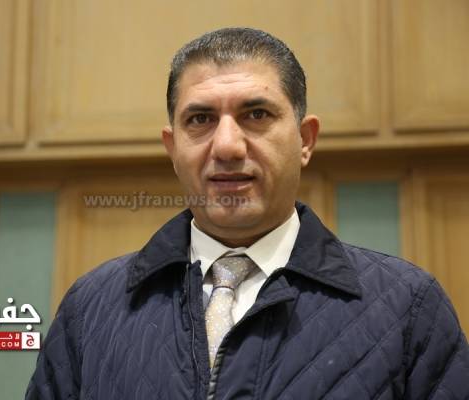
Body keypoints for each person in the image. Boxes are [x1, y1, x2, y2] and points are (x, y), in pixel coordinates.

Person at [26, 27, 469, 399]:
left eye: (256, 114)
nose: (226, 146)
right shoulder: (91, 308)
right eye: (200, 119)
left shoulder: (408, 308)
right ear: (172, 148)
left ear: (305, 140)